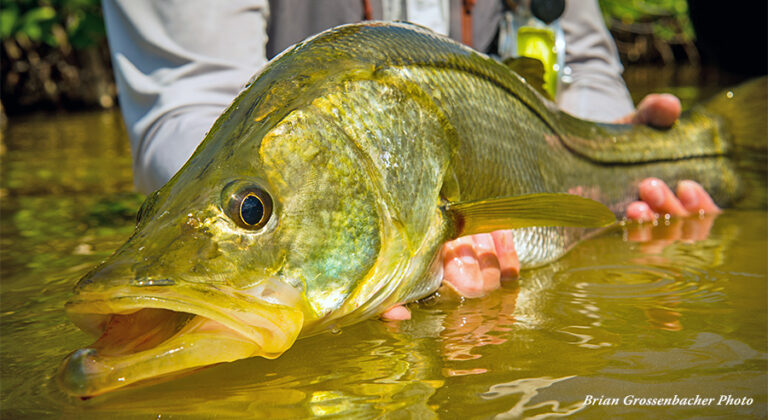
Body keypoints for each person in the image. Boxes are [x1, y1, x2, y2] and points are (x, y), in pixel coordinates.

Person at [100, 0, 719, 320]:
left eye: (252, 212)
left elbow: (582, 63)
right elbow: (186, 103)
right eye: (252, 212)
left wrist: (613, 145)